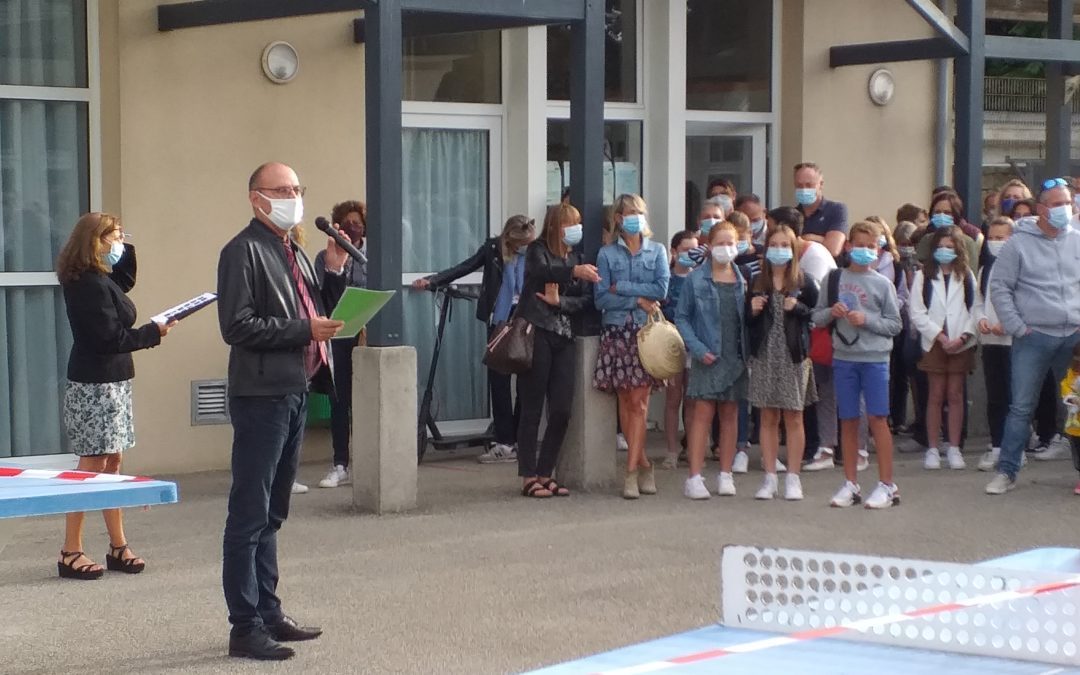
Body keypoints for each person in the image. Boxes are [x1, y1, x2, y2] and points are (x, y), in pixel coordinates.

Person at [217, 162, 347, 660]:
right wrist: (301, 332)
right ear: (256, 198)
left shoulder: (294, 249)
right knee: (248, 513)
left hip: (295, 388)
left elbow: (320, 316)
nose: (293, 197)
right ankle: (244, 626)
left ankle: (270, 612)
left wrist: (333, 272)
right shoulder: (241, 251)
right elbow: (238, 326)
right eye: (282, 189)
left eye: (297, 188)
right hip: (261, 395)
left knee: (273, 512)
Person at [55, 213, 174, 580]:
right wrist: (153, 332)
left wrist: (124, 247)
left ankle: (117, 545)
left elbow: (124, 281)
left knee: (113, 462)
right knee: (91, 464)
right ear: (95, 241)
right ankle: (70, 550)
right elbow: (108, 339)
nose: (120, 242)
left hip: (115, 382)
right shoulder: (86, 284)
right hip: (95, 385)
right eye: (115, 237)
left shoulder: (103, 278)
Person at [413, 215, 536, 464]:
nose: (526, 247)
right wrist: (433, 280)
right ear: (510, 239)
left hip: (527, 320)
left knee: (526, 382)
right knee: (498, 381)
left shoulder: (535, 252)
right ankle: (504, 441)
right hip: (499, 320)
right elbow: (465, 267)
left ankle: (521, 440)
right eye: (522, 243)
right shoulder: (493, 248)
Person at [986, 178, 1080, 495]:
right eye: (1057, 204)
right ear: (1041, 209)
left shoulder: (1078, 240)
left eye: (1067, 202)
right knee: (1021, 408)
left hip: (1074, 336)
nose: (1065, 209)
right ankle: (1008, 472)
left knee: (1078, 406)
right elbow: (1000, 287)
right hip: (1033, 336)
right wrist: (1017, 326)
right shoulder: (1018, 243)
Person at [812, 221, 903, 509]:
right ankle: (850, 483)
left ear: (878, 250)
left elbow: (895, 324)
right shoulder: (834, 279)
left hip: (875, 359)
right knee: (848, 419)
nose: (863, 251)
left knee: (877, 419)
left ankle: (887, 485)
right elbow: (816, 316)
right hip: (843, 358)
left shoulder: (882, 284)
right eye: (858, 245)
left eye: (870, 246)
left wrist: (868, 321)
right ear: (848, 246)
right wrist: (831, 311)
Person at [516, 204, 598, 498]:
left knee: (562, 408)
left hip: (565, 336)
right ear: (556, 225)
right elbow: (540, 270)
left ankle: (545, 471)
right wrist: (572, 272)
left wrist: (559, 302)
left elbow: (586, 300)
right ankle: (528, 475)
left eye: (578, 222)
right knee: (532, 407)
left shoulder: (578, 256)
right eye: (570, 223)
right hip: (538, 332)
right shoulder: (538, 249)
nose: (576, 228)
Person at [594, 194, 670, 499]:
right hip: (616, 329)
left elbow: (661, 289)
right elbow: (601, 297)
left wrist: (623, 288)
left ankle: (630, 472)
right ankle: (644, 463)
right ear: (618, 218)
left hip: (646, 333)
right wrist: (638, 298)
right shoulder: (606, 254)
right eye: (627, 213)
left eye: (638, 212)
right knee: (626, 401)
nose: (633, 217)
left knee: (639, 402)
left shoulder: (658, 250)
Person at [675, 222, 749, 499]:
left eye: (731, 242)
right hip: (707, 354)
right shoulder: (695, 279)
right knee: (702, 416)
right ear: (709, 245)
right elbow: (681, 317)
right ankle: (694, 477)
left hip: (735, 356)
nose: (726, 248)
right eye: (720, 242)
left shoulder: (743, 279)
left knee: (729, 415)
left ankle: (725, 474)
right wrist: (696, 348)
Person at [746, 225, 818, 501]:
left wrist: (797, 308)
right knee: (768, 417)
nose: (778, 250)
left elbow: (816, 315)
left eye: (784, 245)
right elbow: (748, 322)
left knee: (794, 416)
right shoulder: (756, 282)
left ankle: (793, 477)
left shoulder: (804, 282)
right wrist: (752, 312)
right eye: (773, 245)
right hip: (765, 354)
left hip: (793, 356)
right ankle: (769, 478)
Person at [909, 225, 978, 471]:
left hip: (961, 341)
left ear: (958, 249)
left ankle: (954, 447)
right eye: (940, 246)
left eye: (950, 247)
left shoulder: (966, 274)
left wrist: (963, 337)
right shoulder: (924, 276)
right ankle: (932, 448)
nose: (945, 251)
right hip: (934, 342)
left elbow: (975, 309)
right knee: (935, 395)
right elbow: (916, 312)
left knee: (956, 394)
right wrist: (940, 336)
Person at [315, 200, 368, 489]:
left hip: (367, 332)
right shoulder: (325, 256)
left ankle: (368, 463)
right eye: (347, 222)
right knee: (339, 400)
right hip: (338, 333)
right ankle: (340, 463)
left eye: (357, 221)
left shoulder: (373, 253)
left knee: (368, 401)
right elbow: (319, 292)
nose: (353, 226)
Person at [973, 216, 1015, 471]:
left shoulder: (1021, 268)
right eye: (992, 238)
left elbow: (1024, 304)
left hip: (1012, 340)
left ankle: (1014, 447)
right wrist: (981, 321)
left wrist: (1006, 324)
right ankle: (997, 445)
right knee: (995, 395)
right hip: (990, 341)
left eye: (1002, 238)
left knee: (1014, 396)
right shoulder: (984, 270)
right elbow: (979, 302)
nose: (996, 243)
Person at [662, 230, 699, 470]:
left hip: (695, 346)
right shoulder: (665, 279)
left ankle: (693, 449)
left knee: (693, 401)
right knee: (673, 398)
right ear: (674, 252)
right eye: (686, 250)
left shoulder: (700, 279)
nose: (690, 255)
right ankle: (671, 450)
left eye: (695, 250)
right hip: (671, 346)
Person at [794, 162, 848, 259]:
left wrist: (808, 238)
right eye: (799, 185)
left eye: (809, 185)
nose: (804, 189)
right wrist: (823, 240)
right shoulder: (792, 214)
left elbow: (833, 249)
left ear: (821, 184)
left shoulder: (836, 209)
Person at [917, 191, 982, 271]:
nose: (941, 216)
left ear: (956, 214)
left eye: (947, 213)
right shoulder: (926, 240)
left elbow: (972, 274)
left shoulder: (968, 242)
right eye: (937, 212)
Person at [1060, 345, 1080, 495]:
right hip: (1076, 425)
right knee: (1078, 453)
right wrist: (1072, 398)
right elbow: (1066, 386)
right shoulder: (1072, 373)